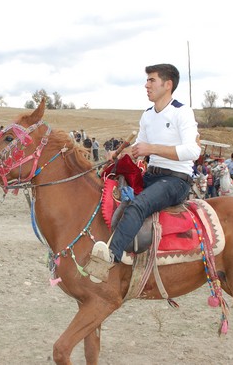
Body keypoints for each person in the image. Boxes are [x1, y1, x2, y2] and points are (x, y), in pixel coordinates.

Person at [84, 63, 200, 282]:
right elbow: (138, 149)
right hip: (152, 176)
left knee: (139, 205)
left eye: (151, 80)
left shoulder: (181, 111)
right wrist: (118, 154)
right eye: (147, 80)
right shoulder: (148, 115)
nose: (146, 85)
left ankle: (110, 258)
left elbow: (193, 150)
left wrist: (153, 149)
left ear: (168, 85)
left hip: (176, 179)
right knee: (111, 194)